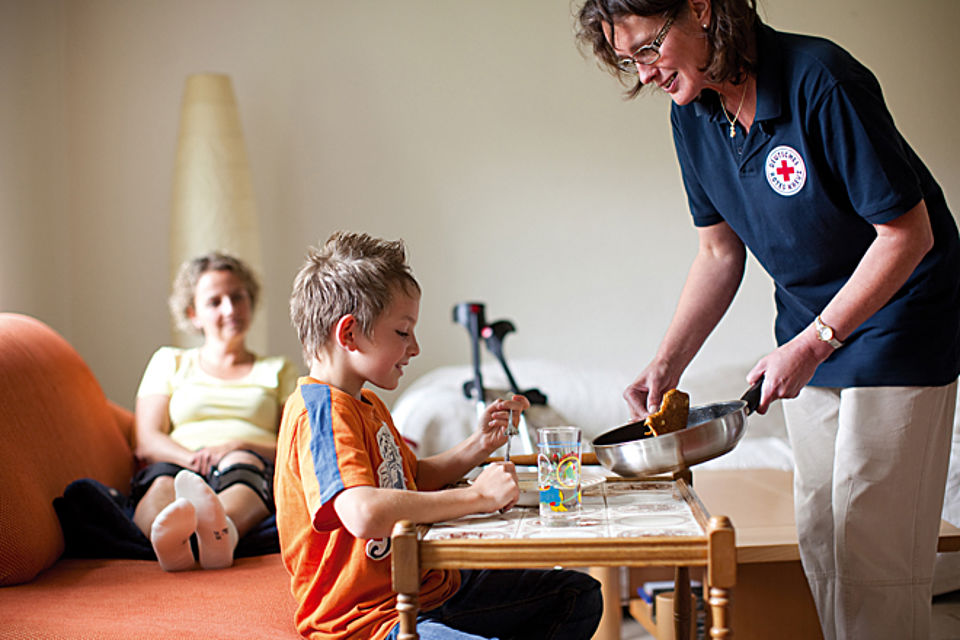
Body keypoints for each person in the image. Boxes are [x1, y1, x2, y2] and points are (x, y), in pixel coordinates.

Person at [575, 1, 960, 638]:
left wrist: (815, 344)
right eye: (628, 61)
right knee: (822, 533)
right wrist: (667, 363)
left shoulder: (821, 80)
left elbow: (907, 234)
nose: (644, 74)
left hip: (901, 323)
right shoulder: (692, 113)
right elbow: (718, 252)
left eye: (648, 49)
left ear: (699, 9)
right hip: (808, 328)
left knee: (873, 550)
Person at [275, 231, 602, 640]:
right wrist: (477, 498)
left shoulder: (368, 405)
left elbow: (413, 480)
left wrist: (477, 446)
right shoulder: (321, 414)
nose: (415, 347)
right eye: (402, 332)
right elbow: (363, 513)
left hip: (430, 591)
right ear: (350, 334)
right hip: (371, 621)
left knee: (577, 595)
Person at [132, 252, 299, 571]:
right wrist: (191, 460)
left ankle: (221, 534)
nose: (230, 309)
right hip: (179, 458)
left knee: (242, 468)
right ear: (193, 314)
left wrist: (240, 445)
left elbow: (295, 444)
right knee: (164, 482)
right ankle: (168, 542)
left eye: (238, 297)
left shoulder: (279, 369)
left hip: (249, 461)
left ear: (251, 302)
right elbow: (147, 438)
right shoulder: (169, 361)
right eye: (215, 302)